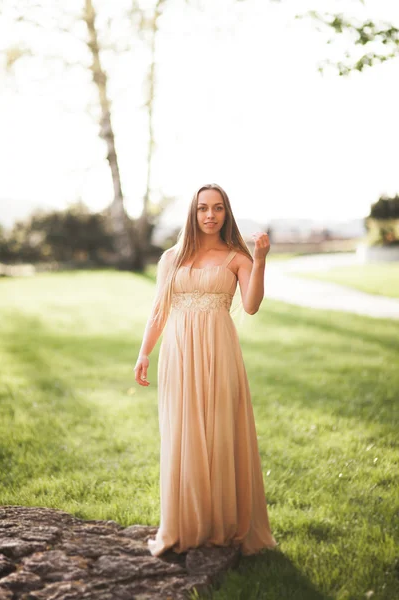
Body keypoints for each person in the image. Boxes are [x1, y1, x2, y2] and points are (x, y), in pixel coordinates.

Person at [134, 183, 278, 557]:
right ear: (193, 213)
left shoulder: (237, 258)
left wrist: (260, 261)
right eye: (202, 208)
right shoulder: (172, 258)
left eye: (217, 208)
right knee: (183, 433)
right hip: (178, 353)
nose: (210, 215)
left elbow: (250, 306)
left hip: (219, 353)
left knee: (219, 432)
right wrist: (144, 352)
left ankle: (222, 523)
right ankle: (186, 523)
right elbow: (158, 310)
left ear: (226, 214)